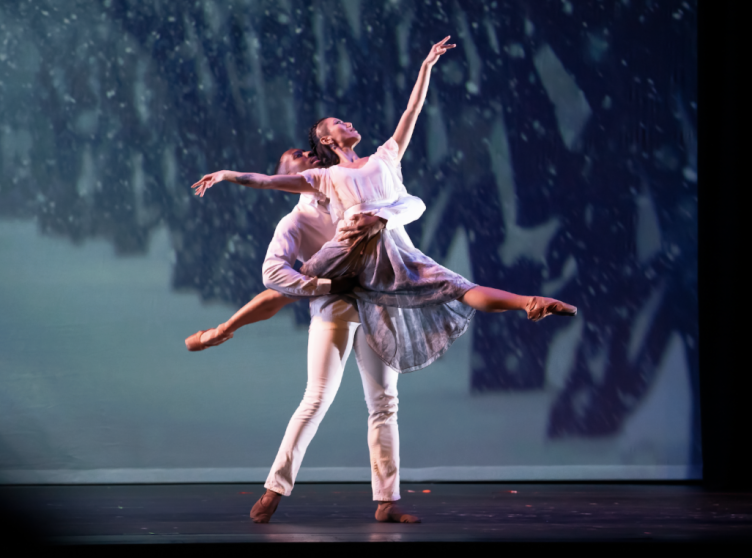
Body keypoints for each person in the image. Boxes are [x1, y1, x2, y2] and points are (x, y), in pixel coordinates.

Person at [191, 36, 577, 373]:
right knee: (284, 289)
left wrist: (426, 67)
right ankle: (224, 330)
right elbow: (267, 181)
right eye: (339, 123)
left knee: (454, 285)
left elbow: (412, 112)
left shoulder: (385, 157)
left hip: (391, 248)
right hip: (349, 249)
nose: (348, 123)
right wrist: (227, 175)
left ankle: (528, 303)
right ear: (327, 140)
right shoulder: (325, 178)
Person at [189, 146, 424, 523]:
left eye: (311, 152)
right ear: (286, 175)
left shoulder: (349, 192)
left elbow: (406, 203)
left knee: (385, 402)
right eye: (299, 154)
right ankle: (274, 488)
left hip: (378, 304)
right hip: (334, 308)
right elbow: (274, 276)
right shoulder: (295, 222)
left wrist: (384, 218)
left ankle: (387, 500)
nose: (310, 156)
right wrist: (325, 284)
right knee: (316, 399)